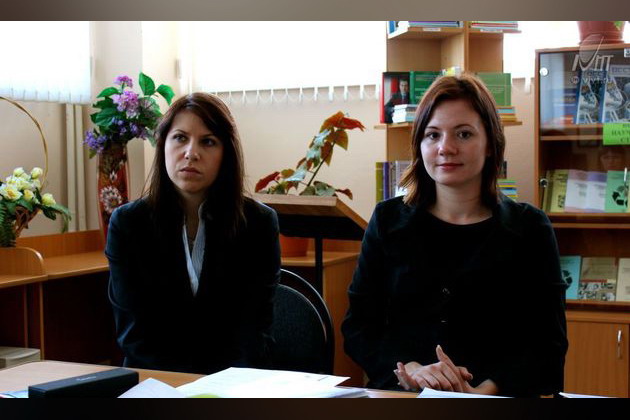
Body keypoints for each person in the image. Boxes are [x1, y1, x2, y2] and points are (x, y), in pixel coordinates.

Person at [342, 74, 568, 397]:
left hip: (497, 403)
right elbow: (358, 327)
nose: (445, 148)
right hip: (404, 398)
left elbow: (548, 346)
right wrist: (411, 370)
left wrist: (482, 392)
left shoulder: (530, 229)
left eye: (463, 134)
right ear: (419, 145)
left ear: (490, 144)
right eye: (433, 135)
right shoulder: (387, 221)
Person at [106, 92, 281, 374]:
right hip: (156, 383)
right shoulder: (128, 224)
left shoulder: (258, 224)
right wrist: (178, 387)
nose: (191, 153)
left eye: (208, 141)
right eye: (180, 138)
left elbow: (253, 332)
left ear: (226, 154)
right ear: (163, 145)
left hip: (233, 385)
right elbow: (134, 335)